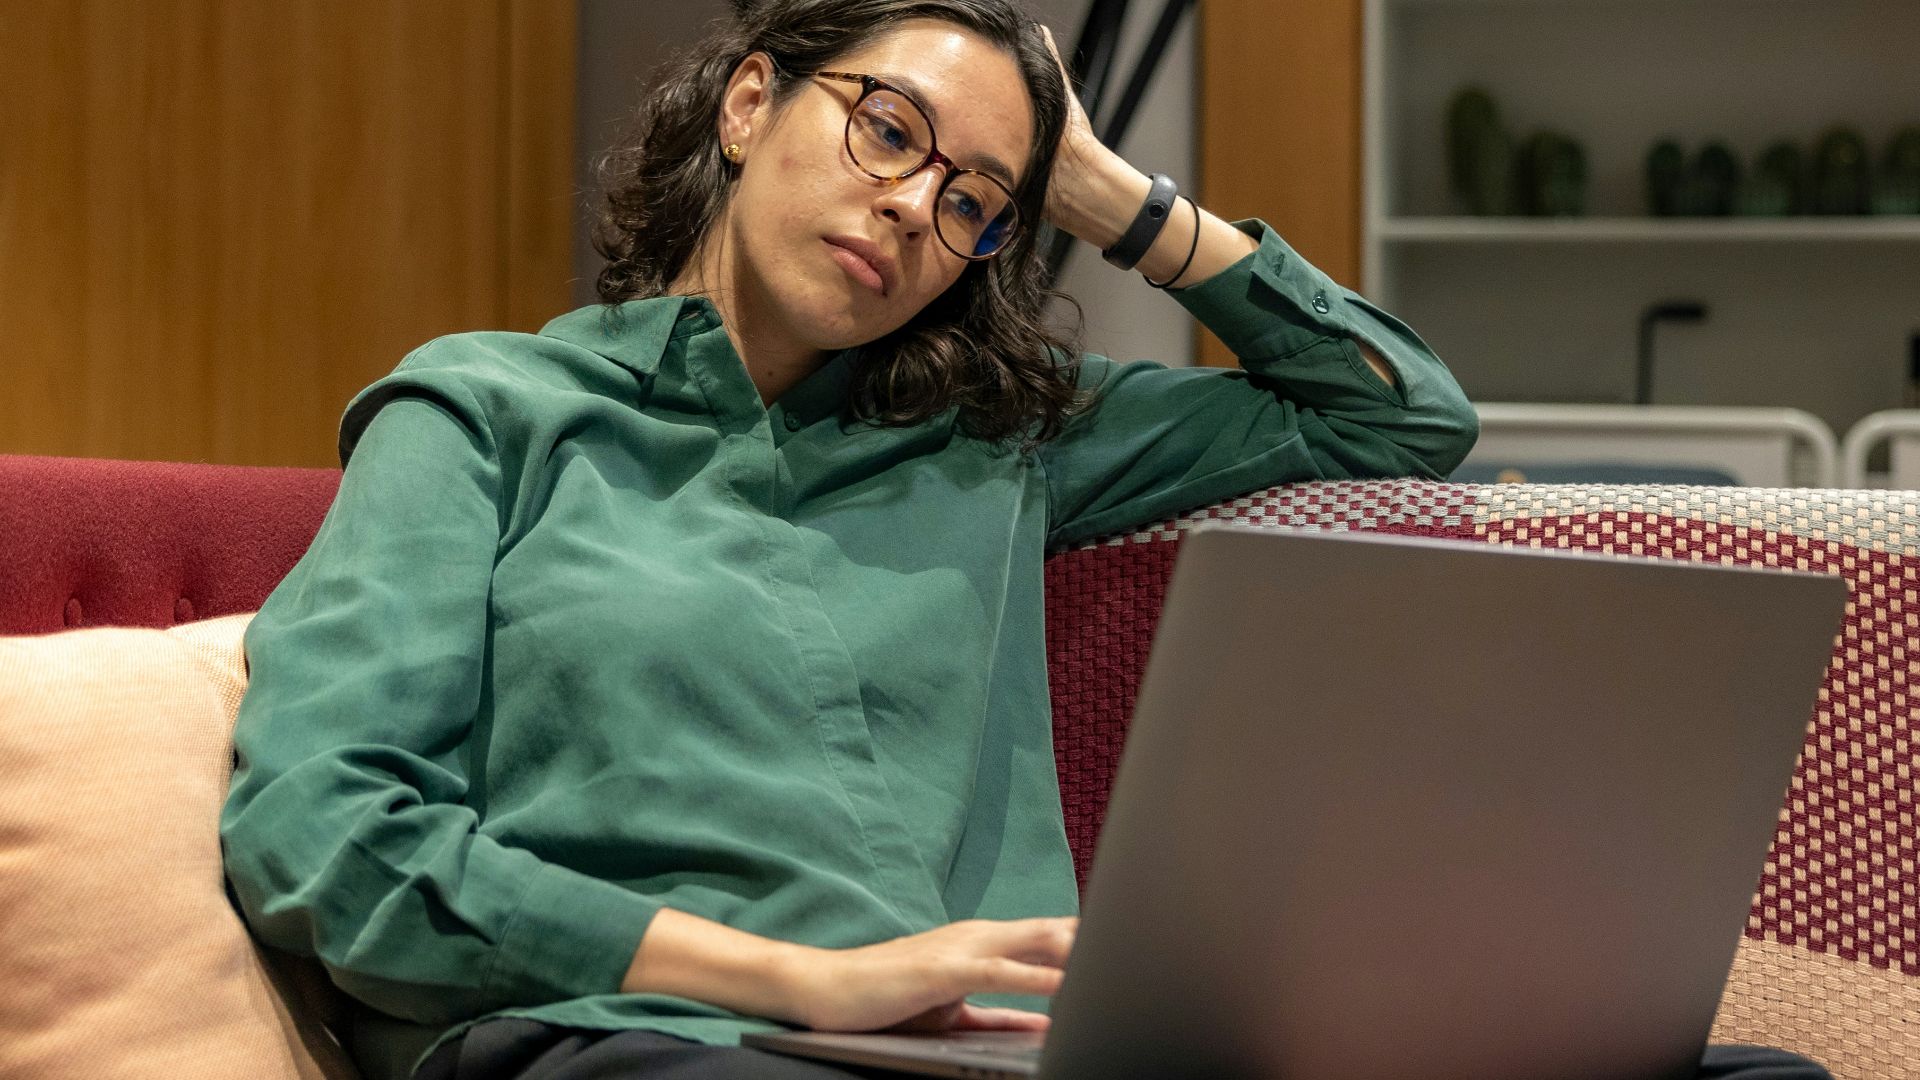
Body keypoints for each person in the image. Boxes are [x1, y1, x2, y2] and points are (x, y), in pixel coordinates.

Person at [218, 2, 1824, 1078]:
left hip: (989, 1054)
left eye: (983, 196)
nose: (922, 208)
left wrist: (1117, 198)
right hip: (650, 1043)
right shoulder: (485, 409)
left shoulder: (996, 437)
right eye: (891, 133)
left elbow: (1400, 414)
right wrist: (803, 983)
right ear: (752, 97)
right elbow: (323, 835)